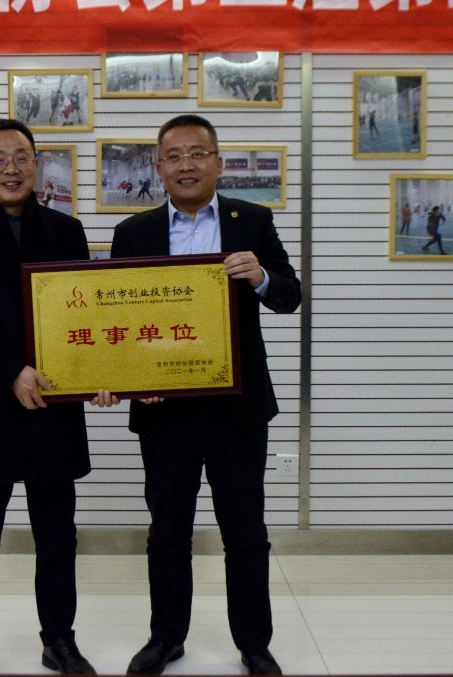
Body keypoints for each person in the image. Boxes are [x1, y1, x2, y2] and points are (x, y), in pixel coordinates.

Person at [110, 114, 301, 677]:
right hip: (164, 409)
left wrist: (260, 276)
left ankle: (254, 643)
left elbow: (289, 295)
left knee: (246, 532)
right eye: (174, 156)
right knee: (168, 531)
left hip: (237, 409)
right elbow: (115, 317)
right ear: (159, 168)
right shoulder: (134, 232)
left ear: (218, 163)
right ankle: (167, 637)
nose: (186, 164)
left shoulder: (252, 221)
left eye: (197, 153)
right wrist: (130, 380)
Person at [0, 118, 117, 677]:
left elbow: (87, 316)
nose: (10, 169)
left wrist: (101, 373)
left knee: (57, 535)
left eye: (21, 158)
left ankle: (59, 640)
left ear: (37, 166)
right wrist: (10, 372)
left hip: (54, 407)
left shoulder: (67, 231)